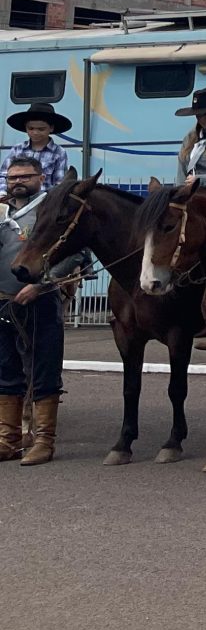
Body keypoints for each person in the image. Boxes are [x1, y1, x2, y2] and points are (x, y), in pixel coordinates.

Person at [0, 155, 86, 464]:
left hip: (39, 299)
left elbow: (77, 253)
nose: (18, 182)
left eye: (25, 176)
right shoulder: (0, 210)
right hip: (2, 301)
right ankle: (8, 439)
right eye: (12, 177)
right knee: (5, 372)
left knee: (43, 370)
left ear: (40, 178)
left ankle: (44, 441)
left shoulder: (51, 209)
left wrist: (41, 284)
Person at [5, 102, 70, 190]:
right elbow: (4, 174)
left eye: (41, 129)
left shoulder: (59, 152)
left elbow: (59, 182)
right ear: (26, 128)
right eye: (31, 128)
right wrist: (3, 193)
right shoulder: (17, 149)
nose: (35, 132)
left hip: (45, 197)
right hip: (17, 195)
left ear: (51, 128)